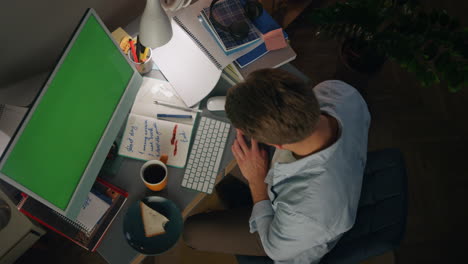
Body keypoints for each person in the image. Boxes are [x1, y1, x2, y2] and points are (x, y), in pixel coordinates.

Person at [183, 68, 370, 264]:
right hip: (329, 175)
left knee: (192, 232)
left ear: (278, 146)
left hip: (287, 233)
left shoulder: (308, 211)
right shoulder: (340, 92)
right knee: (227, 150)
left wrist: (257, 183)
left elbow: (275, 250)